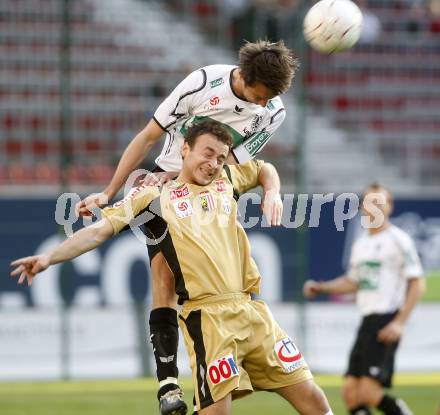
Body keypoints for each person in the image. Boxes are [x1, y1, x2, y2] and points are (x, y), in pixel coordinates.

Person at [11, 121, 333, 415]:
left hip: (254, 313)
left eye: (221, 157)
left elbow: (265, 168)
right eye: (208, 153)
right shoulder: (153, 197)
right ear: (184, 149)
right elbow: (98, 231)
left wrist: (272, 192)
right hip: (208, 320)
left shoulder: (226, 180)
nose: (214, 163)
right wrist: (48, 258)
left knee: (316, 402)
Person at [74, 39, 299, 414]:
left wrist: (270, 188)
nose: (263, 105)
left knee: (202, 282)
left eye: (269, 99)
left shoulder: (273, 112)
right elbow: (149, 135)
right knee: (164, 277)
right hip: (162, 180)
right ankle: (167, 385)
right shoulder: (202, 83)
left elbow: (235, 165)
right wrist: (109, 191)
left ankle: (205, 383)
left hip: (212, 184)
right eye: (260, 96)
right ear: (243, 76)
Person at [303, 183, 425, 415]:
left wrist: (399, 322)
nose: (375, 208)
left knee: (368, 392)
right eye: (370, 203)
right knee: (350, 392)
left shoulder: (398, 240)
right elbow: (353, 281)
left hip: (386, 319)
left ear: (390, 207)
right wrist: (322, 288)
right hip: (367, 321)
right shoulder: (361, 243)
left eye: (380, 203)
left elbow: (417, 282)